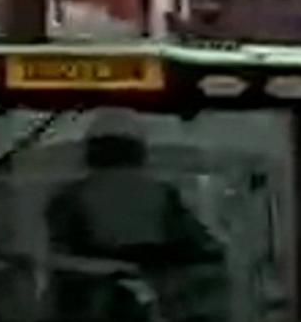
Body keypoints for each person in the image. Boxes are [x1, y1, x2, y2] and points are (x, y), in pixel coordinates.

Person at [47, 117, 221, 273]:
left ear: (91, 153)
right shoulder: (164, 193)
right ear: (138, 152)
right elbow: (201, 245)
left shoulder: (69, 196)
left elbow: (55, 252)